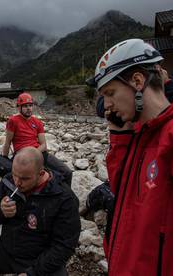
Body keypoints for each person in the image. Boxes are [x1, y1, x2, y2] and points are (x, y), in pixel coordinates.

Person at [86, 38, 173, 275]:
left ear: (137, 81)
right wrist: (119, 132)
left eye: (110, 93)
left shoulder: (168, 137)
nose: (107, 105)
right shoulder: (138, 136)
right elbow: (121, 188)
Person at [0, 147, 80, 276]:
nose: (17, 182)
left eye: (24, 179)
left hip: (40, 257)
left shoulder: (64, 197)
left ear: (41, 173)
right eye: (15, 175)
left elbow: (64, 246)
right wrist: (1, 211)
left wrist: (33, 272)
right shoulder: (10, 180)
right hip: (8, 249)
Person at [2, 92, 73, 186]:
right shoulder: (13, 121)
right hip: (22, 156)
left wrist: (34, 153)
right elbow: (7, 143)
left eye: (30, 105)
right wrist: (5, 159)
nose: (28, 108)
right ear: (19, 107)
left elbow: (44, 145)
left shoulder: (37, 122)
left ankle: (66, 198)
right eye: (25, 106)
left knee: (67, 173)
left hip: (39, 153)